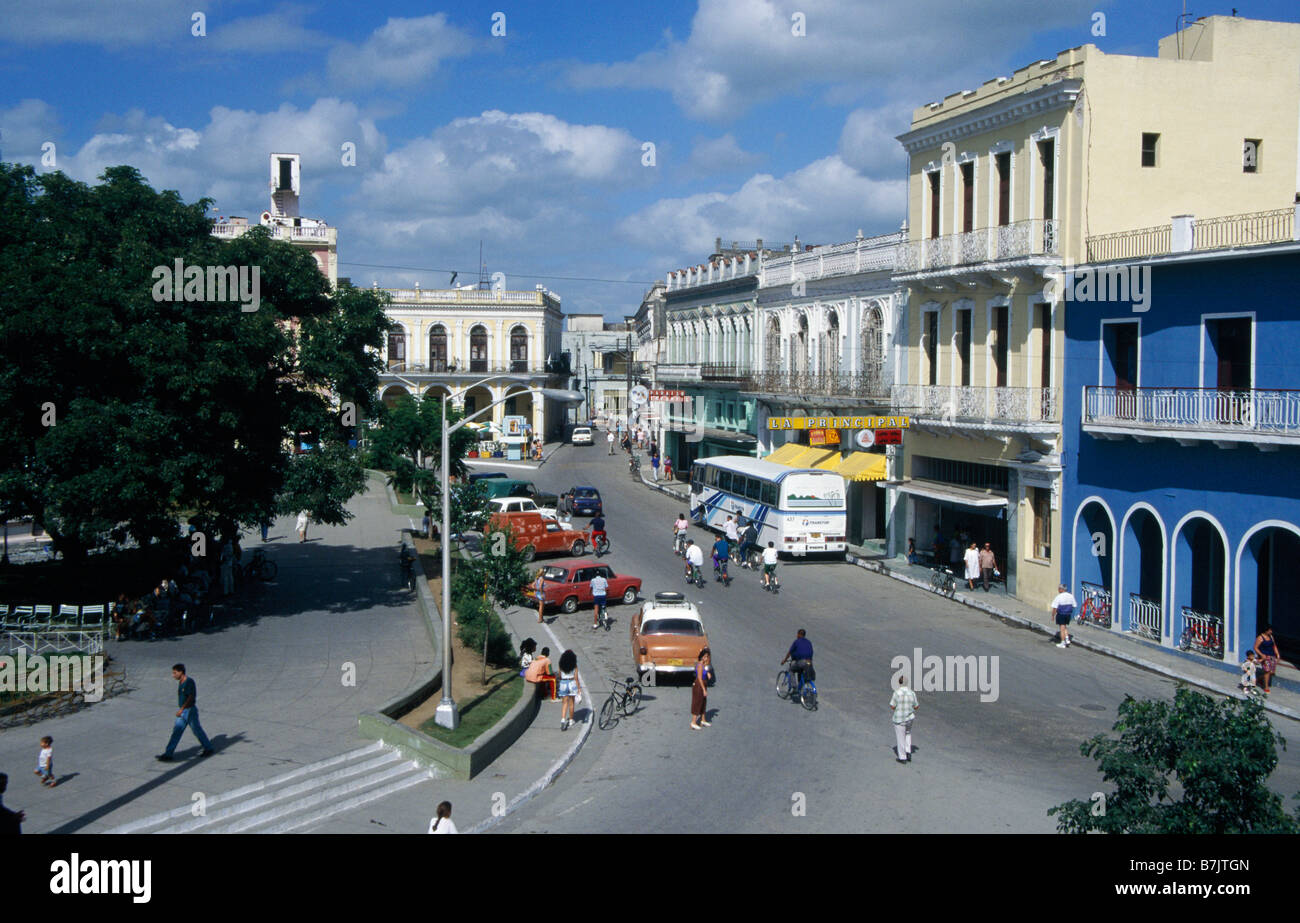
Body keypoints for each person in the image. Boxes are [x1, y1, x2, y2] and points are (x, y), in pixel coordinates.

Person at [156, 664, 214, 761]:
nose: (173, 675)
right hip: (185, 710)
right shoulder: (181, 682)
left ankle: (208, 748)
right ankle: (168, 753)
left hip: (189, 710)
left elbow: (190, 697)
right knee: (177, 731)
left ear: (181, 672)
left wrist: (181, 709)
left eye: (175, 673)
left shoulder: (189, 682)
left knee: (196, 730)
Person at [890, 675, 919, 763]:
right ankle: (908, 751)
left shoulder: (897, 693)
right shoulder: (912, 693)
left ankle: (902, 757)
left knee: (900, 737)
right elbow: (916, 706)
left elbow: (892, 705)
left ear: (899, 682)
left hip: (899, 718)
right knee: (908, 734)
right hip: (910, 718)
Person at [557, 649, 582, 731]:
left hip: (563, 683)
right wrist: (579, 689)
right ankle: (571, 720)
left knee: (564, 703)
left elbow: (560, 676)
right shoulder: (574, 666)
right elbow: (576, 678)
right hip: (572, 683)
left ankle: (563, 719)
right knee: (571, 703)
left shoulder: (561, 665)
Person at [1254, 627, 1281, 694]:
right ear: (1266, 631)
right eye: (1269, 630)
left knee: (1271, 672)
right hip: (1265, 657)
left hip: (1272, 655)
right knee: (1267, 671)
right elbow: (1255, 647)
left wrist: (1277, 654)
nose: (1271, 632)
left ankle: (1259, 679)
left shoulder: (1271, 637)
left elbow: (1274, 646)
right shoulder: (1260, 638)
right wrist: (1261, 654)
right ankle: (1266, 686)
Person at [691, 649, 712, 730]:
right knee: (697, 702)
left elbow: (704, 672)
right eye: (705, 656)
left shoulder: (703, 664)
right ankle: (693, 722)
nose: (706, 658)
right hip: (699, 685)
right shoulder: (699, 665)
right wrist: (704, 689)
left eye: (707, 657)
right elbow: (699, 678)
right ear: (701, 656)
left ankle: (703, 720)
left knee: (703, 702)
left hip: (703, 683)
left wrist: (707, 673)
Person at [1050, 584, 1077, 649]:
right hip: (1068, 614)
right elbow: (1074, 605)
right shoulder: (1071, 596)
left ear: (1061, 589)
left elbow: (1054, 607)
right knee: (1064, 626)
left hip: (1061, 613)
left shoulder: (1059, 597)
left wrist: (1053, 615)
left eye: (1059, 589)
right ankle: (1067, 639)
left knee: (1062, 628)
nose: (1058, 590)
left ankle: (1062, 642)